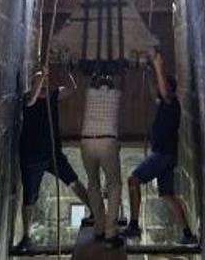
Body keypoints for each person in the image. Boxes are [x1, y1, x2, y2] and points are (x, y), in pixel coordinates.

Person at [120, 50, 198, 246]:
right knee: (167, 195)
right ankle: (188, 233)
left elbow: (162, 90)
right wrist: (147, 73)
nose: (157, 89)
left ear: (168, 89)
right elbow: (152, 91)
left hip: (162, 155)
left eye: (160, 86)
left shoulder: (171, 102)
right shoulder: (163, 104)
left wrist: (157, 66)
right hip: (168, 155)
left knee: (133, 180)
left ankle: (134, 224)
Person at [15, 69, 91, 252]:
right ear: (33, 83)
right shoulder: (27, 98)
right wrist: (41, 75)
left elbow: (72, 88)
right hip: (32, 156)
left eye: (44, 81)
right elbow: (32, 99)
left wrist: (66, 69)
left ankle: (96, 212)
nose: (43, 84)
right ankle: (26, 237)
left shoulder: (52, 95)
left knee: (73, 181)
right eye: (38, 81)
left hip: (52, 153)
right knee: (30, 196)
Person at [80, 70, 124, 247]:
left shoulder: (89, 94)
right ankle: (110, 232)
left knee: (93, 184)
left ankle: (99, 227)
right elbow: (122, 81)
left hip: (87, 141)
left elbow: (91, 82)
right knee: (114, 185)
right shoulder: (116, 95)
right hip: (107, 141)